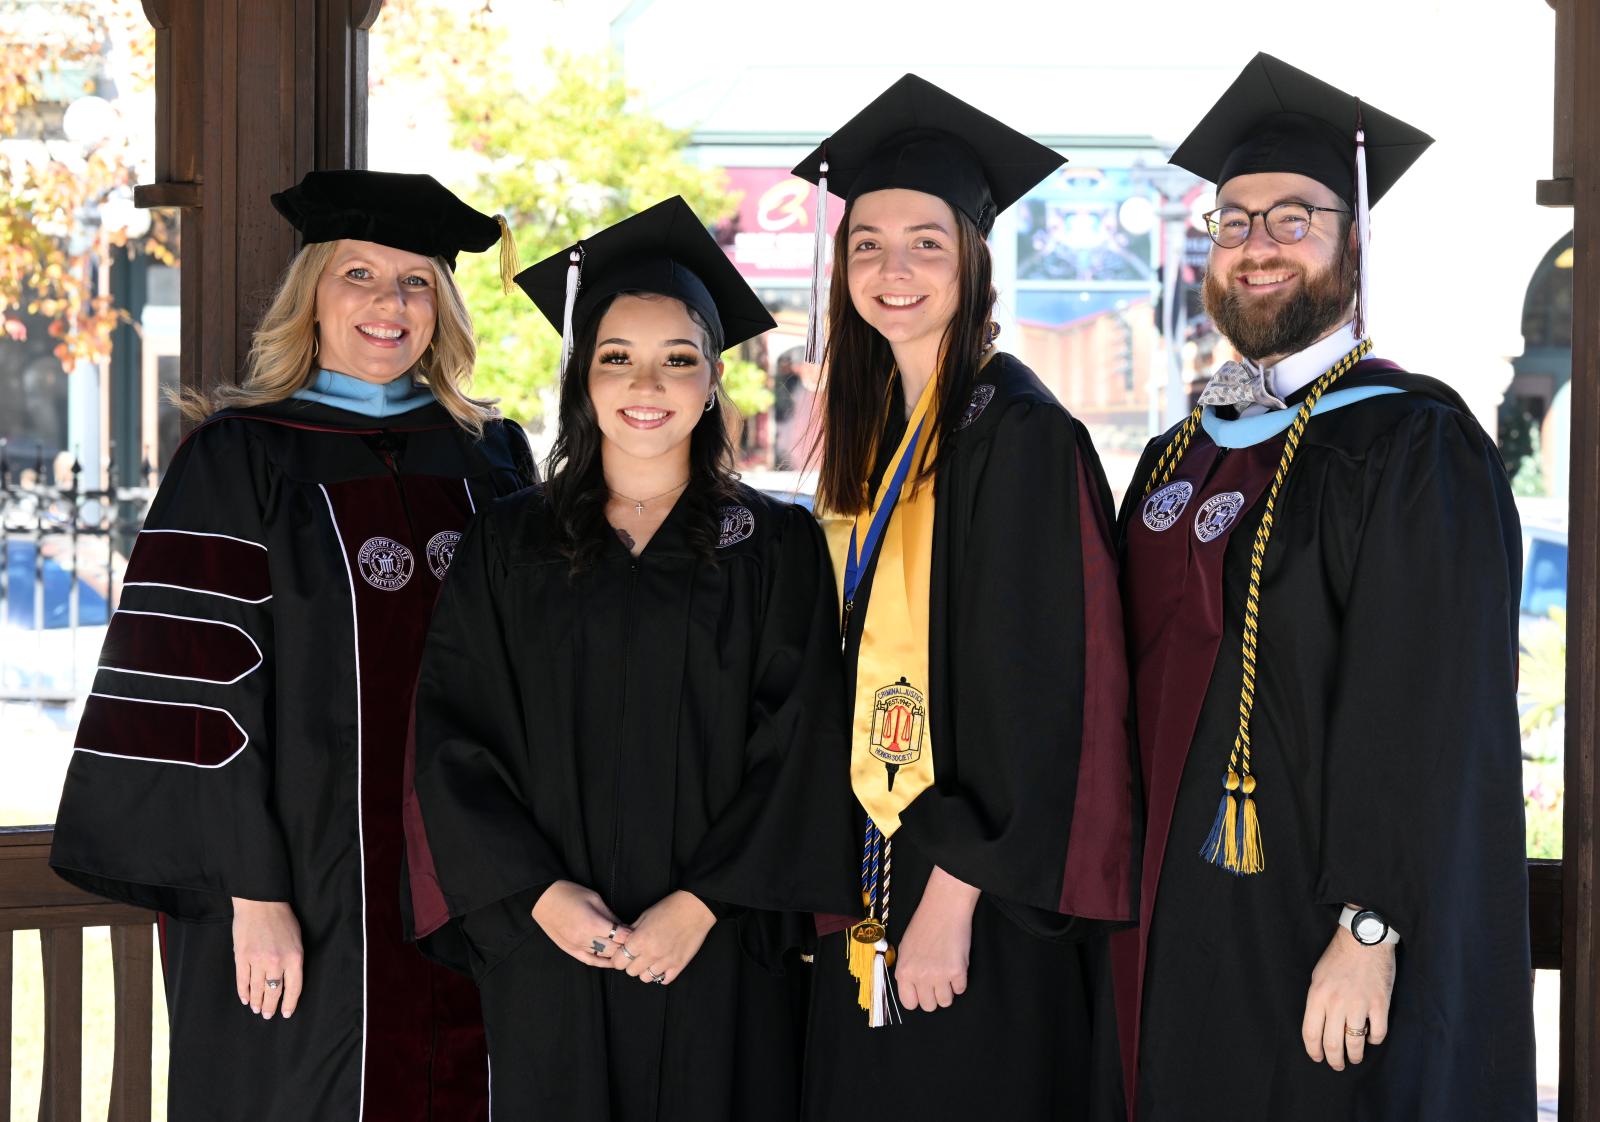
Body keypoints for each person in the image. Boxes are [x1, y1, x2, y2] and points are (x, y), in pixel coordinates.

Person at [50, 170, 537, 1121]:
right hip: (299, 892)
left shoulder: (489, 461)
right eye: (359, 274)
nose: (388, 305)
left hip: (474, 890)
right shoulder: (240, 459)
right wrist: (252, 894)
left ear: (443, 308)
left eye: (416, 282)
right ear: (311, 293)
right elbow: (194, 704)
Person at [1114, 53, 1535, 1121]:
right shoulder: (1174, 455)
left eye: (1293, 218)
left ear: (1353, 243)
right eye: (1234, 221)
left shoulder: (1411, 442)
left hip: (1319, 929)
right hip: (1168, 916)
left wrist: (1369, 930)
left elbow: (1431, 711)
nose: (1257, 246)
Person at [403, 195, 857, 1121]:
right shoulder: (508, 544)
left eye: (677, 359)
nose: (646, 386)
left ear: (713, 380)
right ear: (584, 376)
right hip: (555, 949)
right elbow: (454, 737)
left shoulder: (774, 545)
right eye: (617, 357)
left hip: (722, 946)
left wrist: (702, 905)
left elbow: (803, 741)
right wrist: (537, 897)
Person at [790, 74, 1139, 1121]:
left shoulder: (1018, 437)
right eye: (866, 243)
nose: (892, 269)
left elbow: (1047, 690)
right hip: (875, 874)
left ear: (975, 262)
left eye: (925, 243)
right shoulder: (881, 440)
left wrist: (951, 895)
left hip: (972, 901)